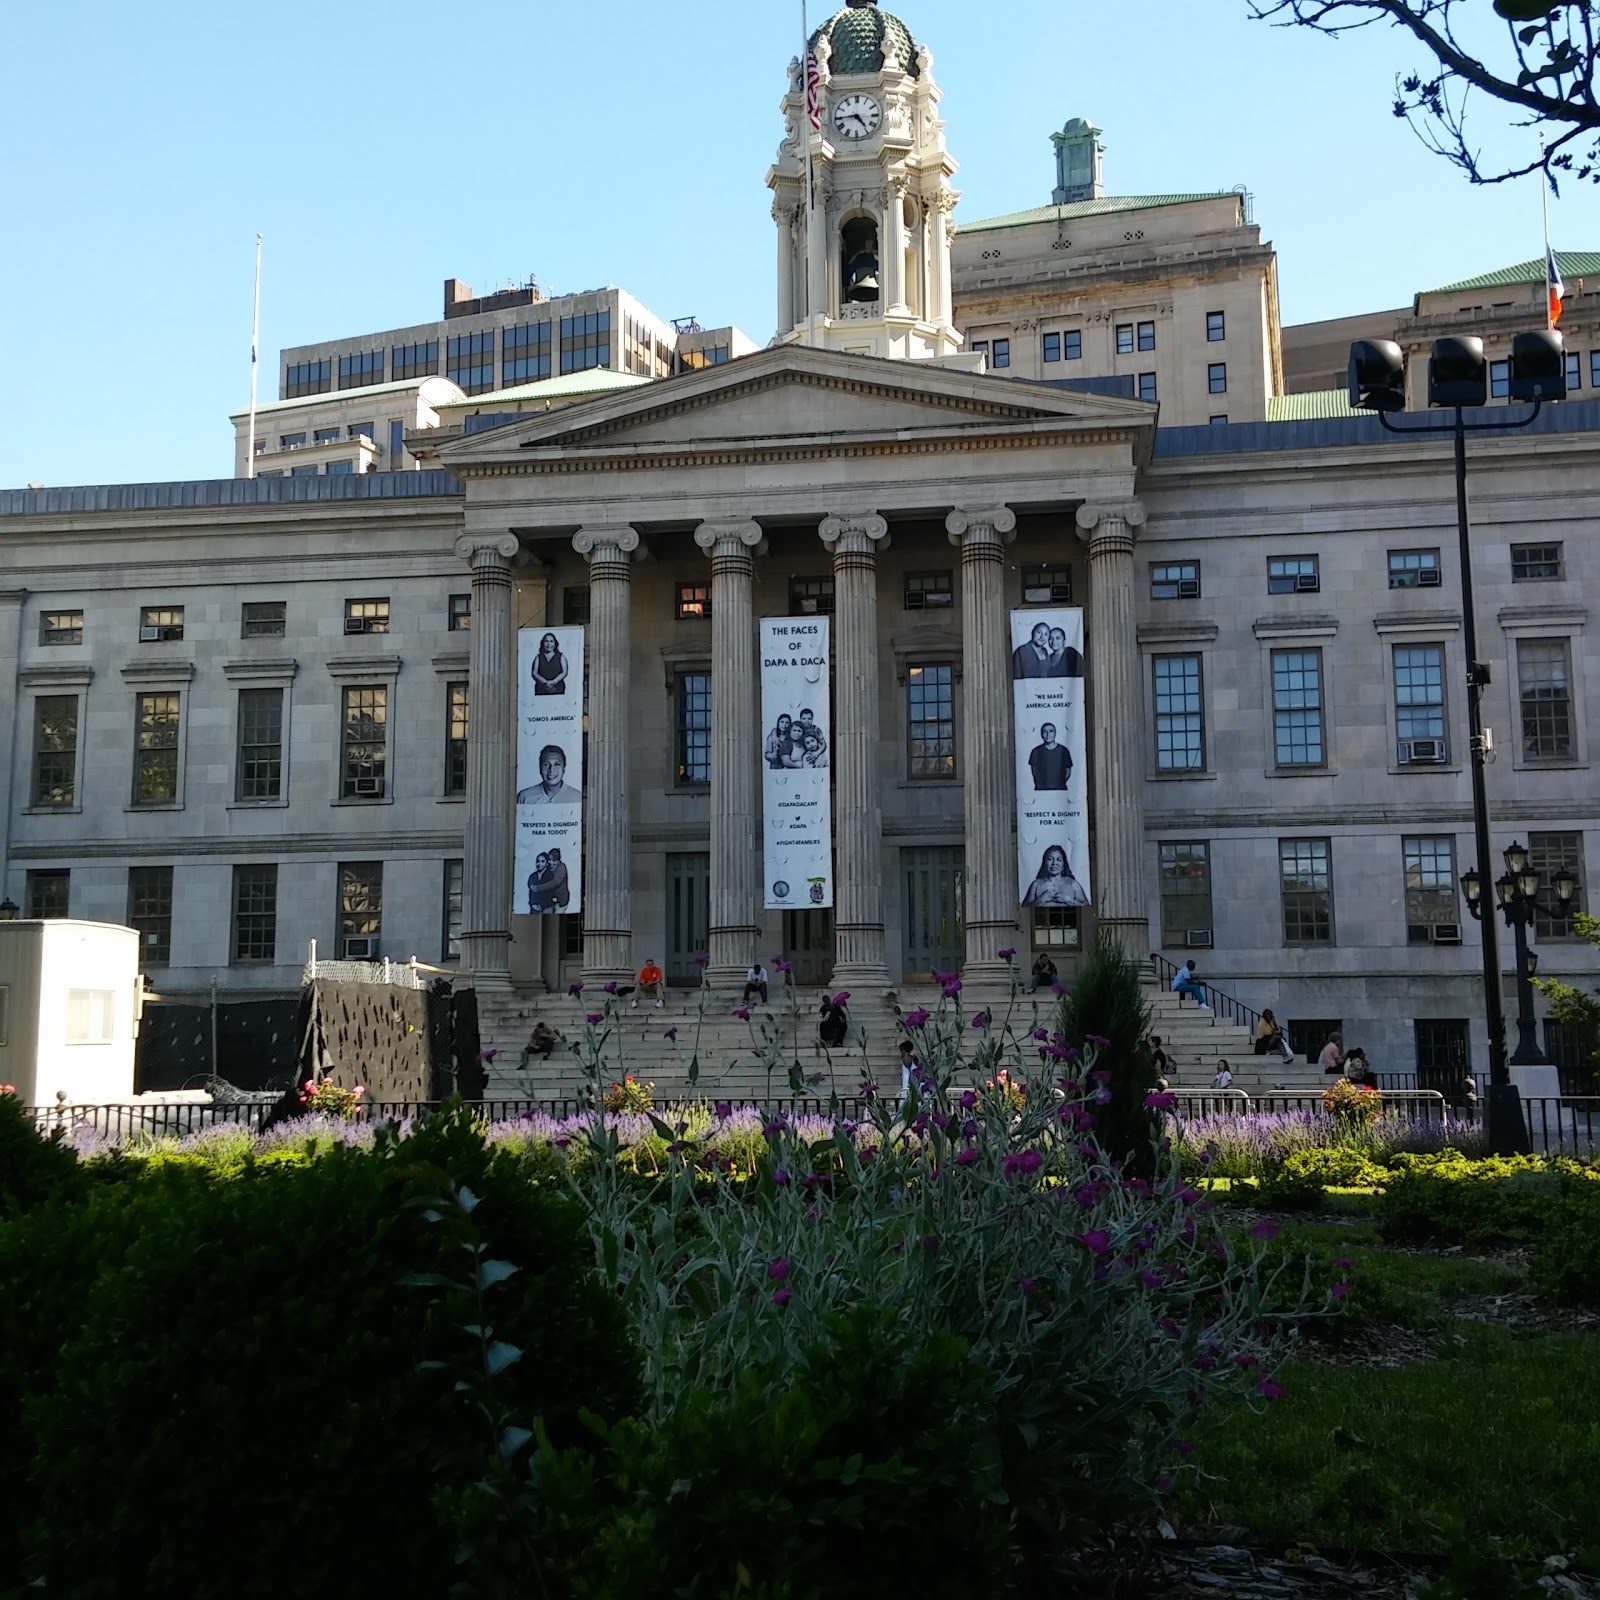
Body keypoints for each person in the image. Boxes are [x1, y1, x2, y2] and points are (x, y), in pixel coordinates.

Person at [1021, 844, 1089, 908]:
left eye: (1058, 860)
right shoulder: (1036, 885)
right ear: (1045, 862)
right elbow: (1024, 908)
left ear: (1063, 864)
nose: (1054, 863)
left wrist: (1068, 900)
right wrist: (1040, 900)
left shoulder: (1073, 884)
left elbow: (1086, 906)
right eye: (1050, 859)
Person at [1027, 723, 1072, 791]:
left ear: (1055, 733)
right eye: (1045, 732)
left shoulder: (1064, 751)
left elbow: (1068, 771)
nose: (1048, 734)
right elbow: (1034, 771)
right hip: (1041, 791)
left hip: (1060, 791)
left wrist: (1059, 785)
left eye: (1051, 731)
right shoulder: (1036, 752)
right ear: (1041, 734)